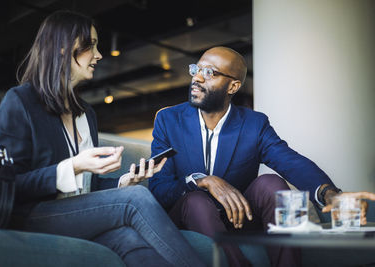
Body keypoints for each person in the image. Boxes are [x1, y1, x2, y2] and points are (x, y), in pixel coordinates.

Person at [0, 10, 206, 267]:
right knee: (136, 199)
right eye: (90, 45)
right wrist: (74, 165)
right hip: (30, 215)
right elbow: (9, 183)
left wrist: (124, 181)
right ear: (62, 48)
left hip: (71, 213)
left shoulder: (86, 113)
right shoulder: (20, 101)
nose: (99, 55)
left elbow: (87, 189)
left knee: (129, 238)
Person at [148, 46, 366, 267]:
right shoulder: (168, 120)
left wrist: (329, 194)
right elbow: (159, 187)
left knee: (271, 183)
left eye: (209, 72)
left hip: (238, 216)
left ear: (233, 86)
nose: (196, 77)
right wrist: (202, 181)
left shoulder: (254, 123)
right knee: (196, 200)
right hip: (188, 215)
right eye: (196, 69)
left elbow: (290, 161)